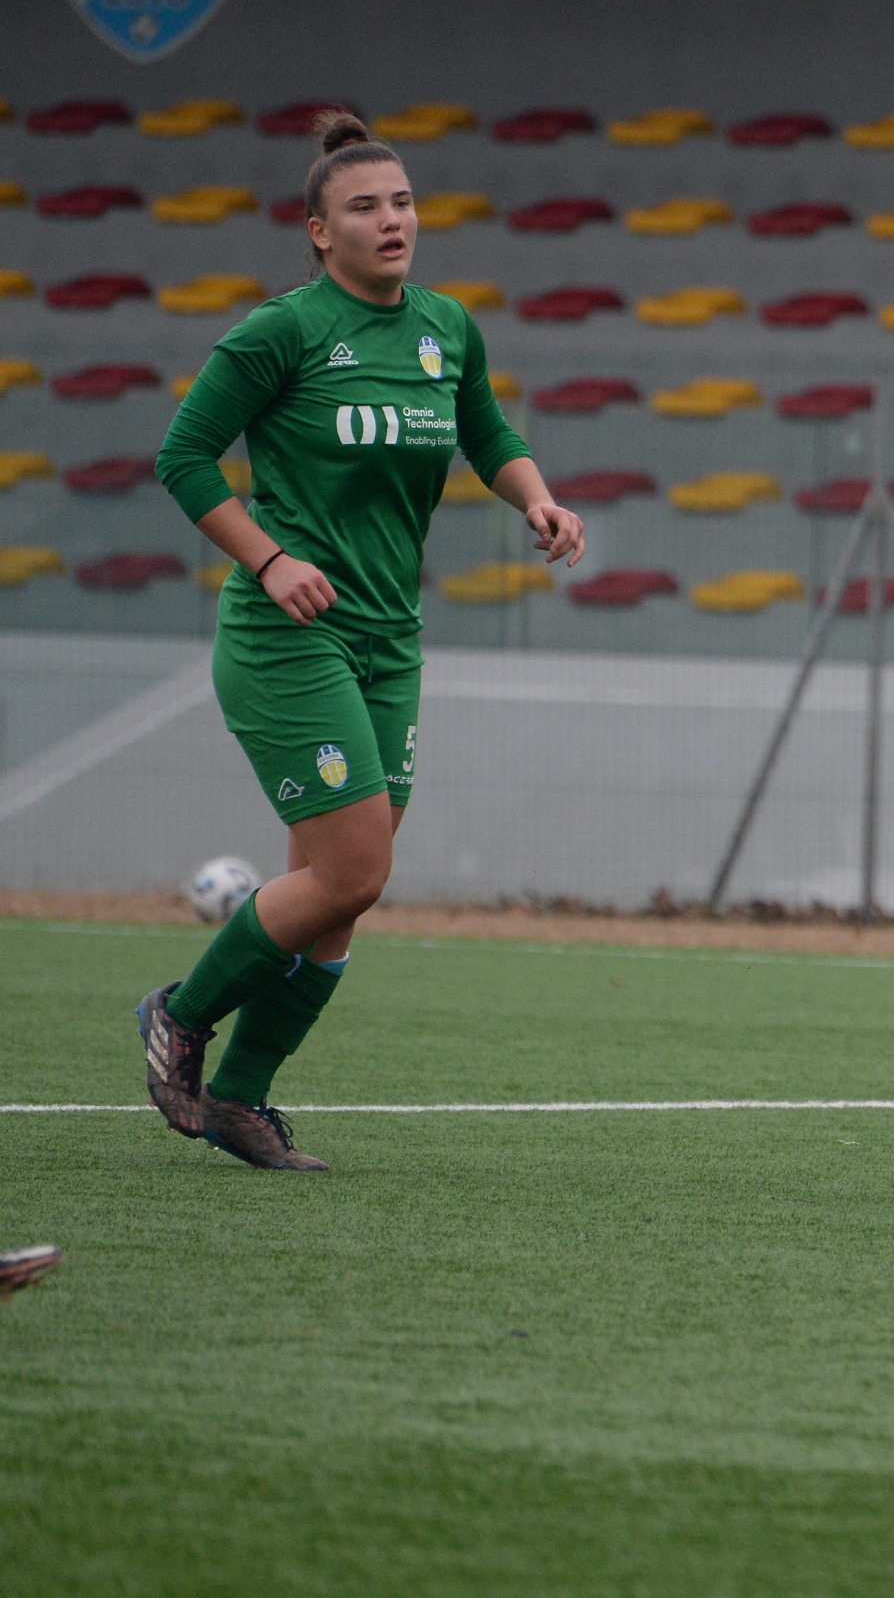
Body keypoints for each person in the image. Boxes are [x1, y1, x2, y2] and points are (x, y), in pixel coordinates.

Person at [137, 111, 585, 1170]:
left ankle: (240, 1096)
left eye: (402, 202)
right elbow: (185, 458)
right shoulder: (279, 332)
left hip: (390, 639)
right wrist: (269, 557)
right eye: (365, 207)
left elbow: (486, 431)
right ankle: (178, 1014)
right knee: (352, 867)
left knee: (340, 899)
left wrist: (536, 497)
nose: (392, 221)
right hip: (288, 632)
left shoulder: (445, 326)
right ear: (316, 232)